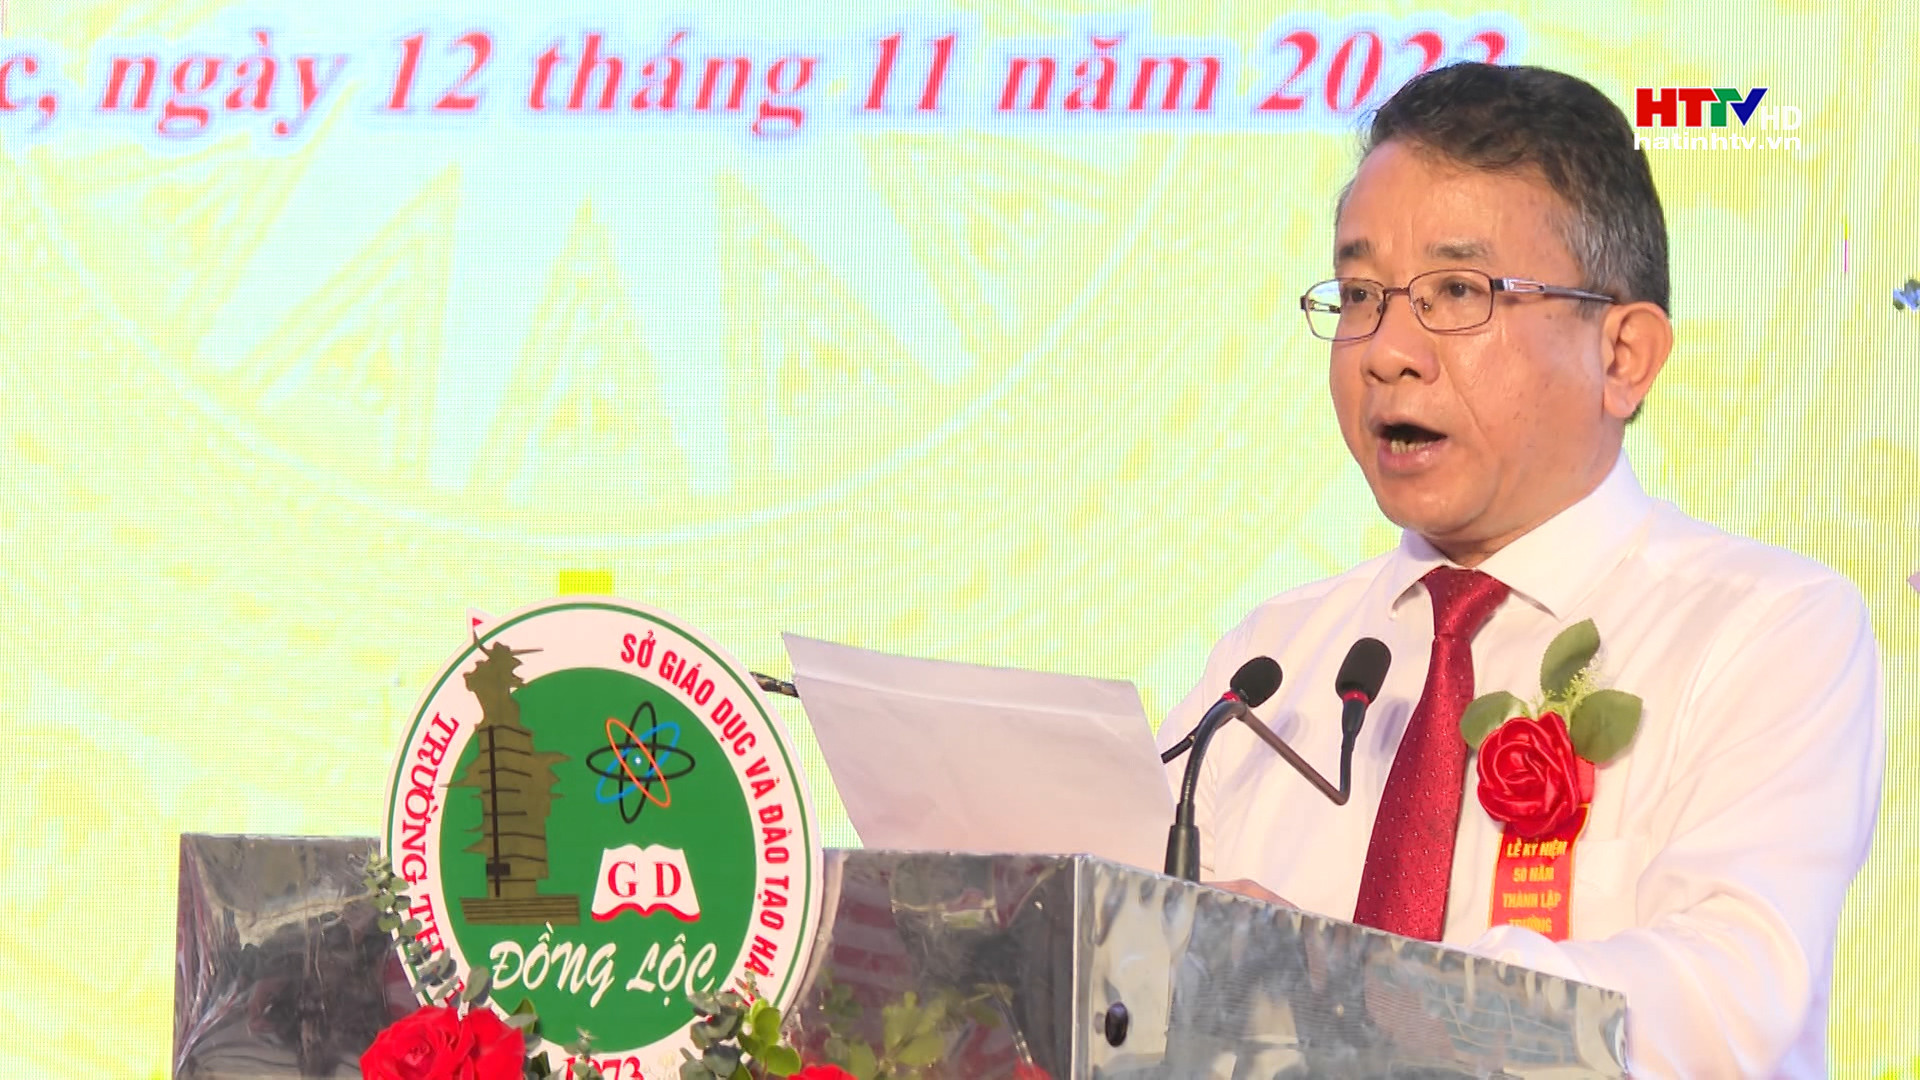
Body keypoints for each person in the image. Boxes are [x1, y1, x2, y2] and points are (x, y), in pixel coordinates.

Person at [1156, 62, 1882, 1078]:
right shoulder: (1271, 663)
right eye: (1361, 294)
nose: (1387, 351)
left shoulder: (1766, 630)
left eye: (1457, 292)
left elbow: (1725, 1003)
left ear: (1623, 356)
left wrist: (1339, 986)